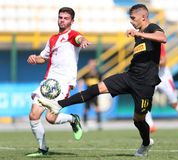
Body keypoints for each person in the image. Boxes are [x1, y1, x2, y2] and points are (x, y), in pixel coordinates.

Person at [38, 4, 167, 157]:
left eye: (133, 18)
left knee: (138, 120)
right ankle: (58, 105)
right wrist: (138, 34)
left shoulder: (152, 28)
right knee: (95, 89)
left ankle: (146, 143)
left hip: (146, 84)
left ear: (143, 17)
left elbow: (163, 38)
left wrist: (140, 34)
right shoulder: (139, 34)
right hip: (129, 76)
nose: (131, 22)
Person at [26, 7, 90, 157]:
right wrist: (35, 58)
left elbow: (79, 38)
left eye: (66, 18)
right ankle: (43, 148)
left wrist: (83, 40)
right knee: (33, 115)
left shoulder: (72, 35)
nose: (62, 20)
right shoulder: (52, 39)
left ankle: (73, 119)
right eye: (60, 17)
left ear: (72, 21)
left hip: (63, 83)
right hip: (49, 81)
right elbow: (44, 58)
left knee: (50, 118)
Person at [145, 44, 178, 139]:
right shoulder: (143, 43)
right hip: (151, 76)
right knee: (145, 100)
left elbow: (163, 62)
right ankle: (150, 125)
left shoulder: (157, 43)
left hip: (163, 76)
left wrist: (150, 63)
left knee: (174, 103)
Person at [78, 59, 102, 131]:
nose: (92, 65)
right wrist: (80, 89)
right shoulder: (86, 73)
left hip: (95, 92)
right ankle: (85, 124)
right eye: (91, 63)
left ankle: (99, 124)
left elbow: (101, 81)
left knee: (97, 108)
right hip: (88, 92)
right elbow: (81, 80)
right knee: (86, 109)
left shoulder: (98, 73)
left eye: (93, 63)